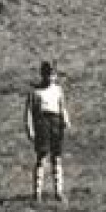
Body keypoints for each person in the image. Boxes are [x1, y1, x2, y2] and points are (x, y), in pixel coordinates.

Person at [25, 62, 72, 202]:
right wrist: (30, 129)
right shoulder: (35, 92)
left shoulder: (58, 90)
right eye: (47, 75)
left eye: (52, 75)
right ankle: (37, 193)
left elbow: (62, 106)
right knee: (42, 157)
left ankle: (58, 191)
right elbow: (28, 112)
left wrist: (66, 119)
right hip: (42, 123)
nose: (50, 78)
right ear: (42, 75)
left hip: (56, 123)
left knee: (56, 157)